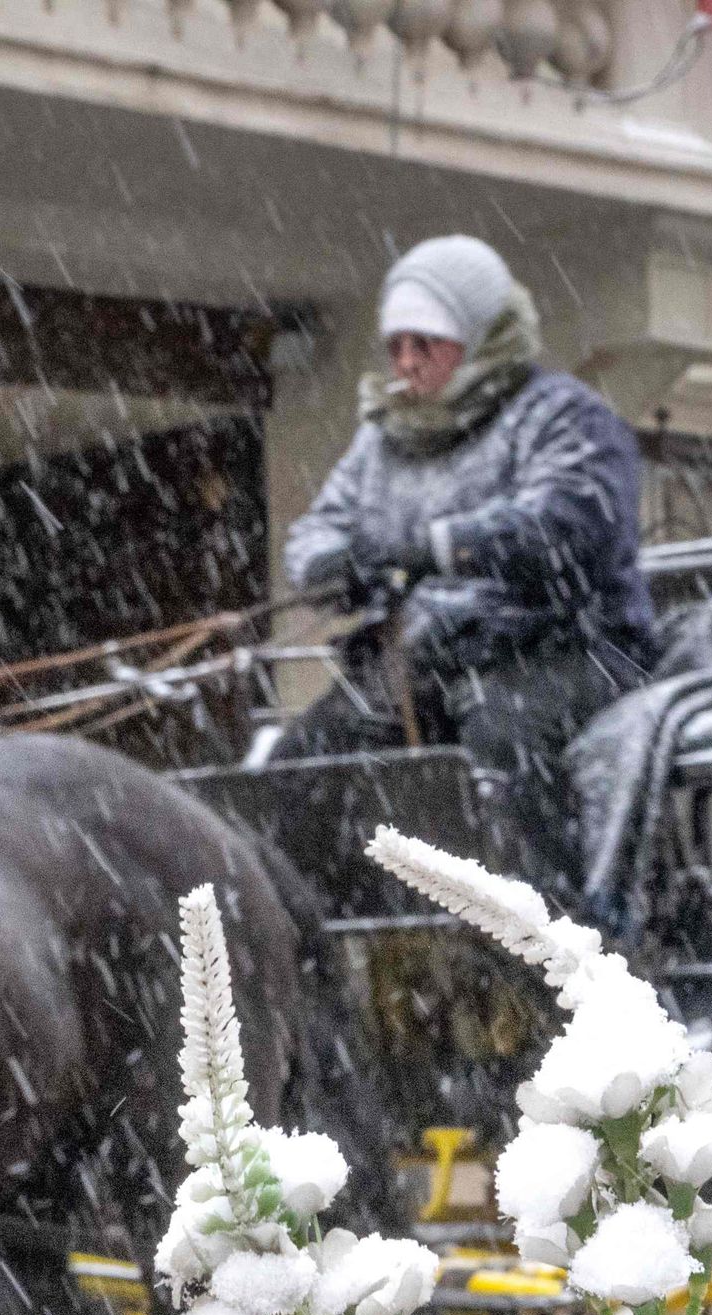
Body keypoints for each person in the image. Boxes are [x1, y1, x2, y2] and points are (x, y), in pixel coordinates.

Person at [275, 234, 660, 886]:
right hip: (428, 661)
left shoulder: (564, 417)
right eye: (396, 346)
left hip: (570, 652)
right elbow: (317, 529)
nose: (406, 362)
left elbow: (567, 525)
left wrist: (436, 546)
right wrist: (329, 564)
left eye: (425, 344)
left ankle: (564, 930)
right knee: (302, 761)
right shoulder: (382, 439)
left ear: (483, 339)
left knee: (500, 747)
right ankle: (326, 925)